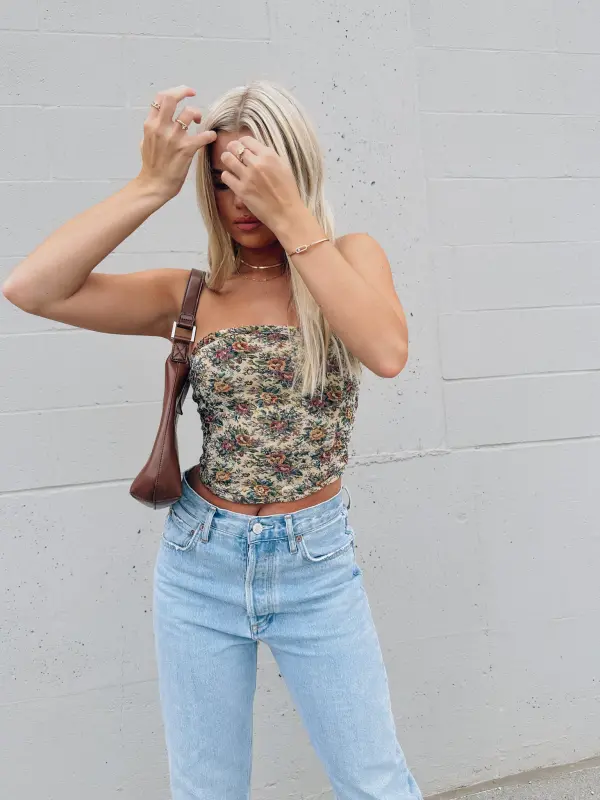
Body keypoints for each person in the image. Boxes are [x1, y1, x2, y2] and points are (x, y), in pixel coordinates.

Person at [2, 80, 423, 800]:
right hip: (201, 561)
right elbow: (31, 288)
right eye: (225, 180)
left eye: (258, 175)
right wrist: (150, 185)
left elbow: (386, 352)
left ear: (294, 171)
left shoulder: (351, 257)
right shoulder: (194, 294)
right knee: (206, 790)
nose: (240, 199)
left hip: (315, 565)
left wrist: (292, 215)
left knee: (375, 781)